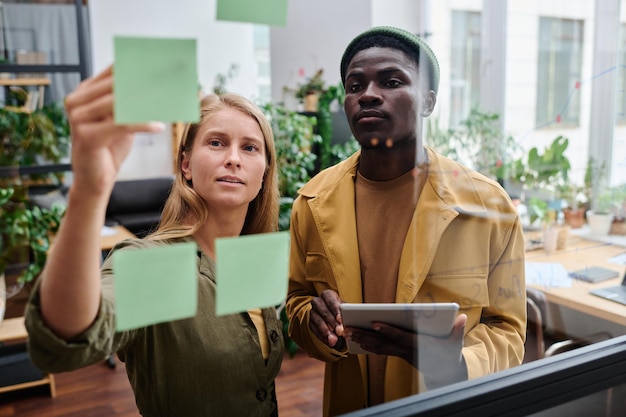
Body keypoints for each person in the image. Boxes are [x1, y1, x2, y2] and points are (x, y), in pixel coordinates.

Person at [286, 26, 526, 416]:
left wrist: (455, 362)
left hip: (448, 402)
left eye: (392, 81)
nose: (367, 95)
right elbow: (297, 304)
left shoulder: (486, 205)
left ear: (427, 101)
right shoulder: (312, 202)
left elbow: (509, 331)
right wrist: (314, 321)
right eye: (354, 85)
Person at [25, 66, 285, 416]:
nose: (234, 159)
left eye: (250, 148)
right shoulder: (159, 267)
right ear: (186, 165)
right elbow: (67, 339)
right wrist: (90, 189)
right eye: (216, 142)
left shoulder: (253, 257)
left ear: (265, 171)